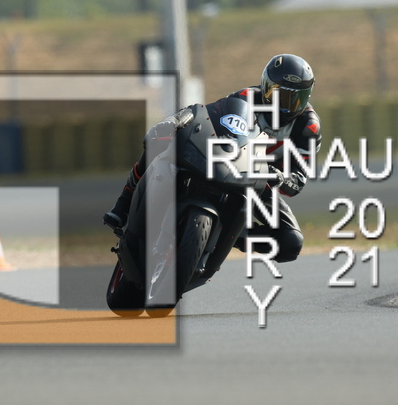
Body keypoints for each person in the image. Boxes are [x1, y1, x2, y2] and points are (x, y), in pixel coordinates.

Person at [104, 54, 321, 263]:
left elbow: (299, 180)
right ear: (265, 86)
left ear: (307, 96)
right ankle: (123, 204)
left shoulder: (309, 126)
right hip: (226, 158)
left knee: (290, 242)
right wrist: (177, 120)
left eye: (296, 99)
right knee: (158, 138)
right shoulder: (246, 97)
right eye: (279, 95)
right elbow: (205, 115)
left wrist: (281, 177)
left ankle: (228, 236)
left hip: (261, 179)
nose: (286, 105)